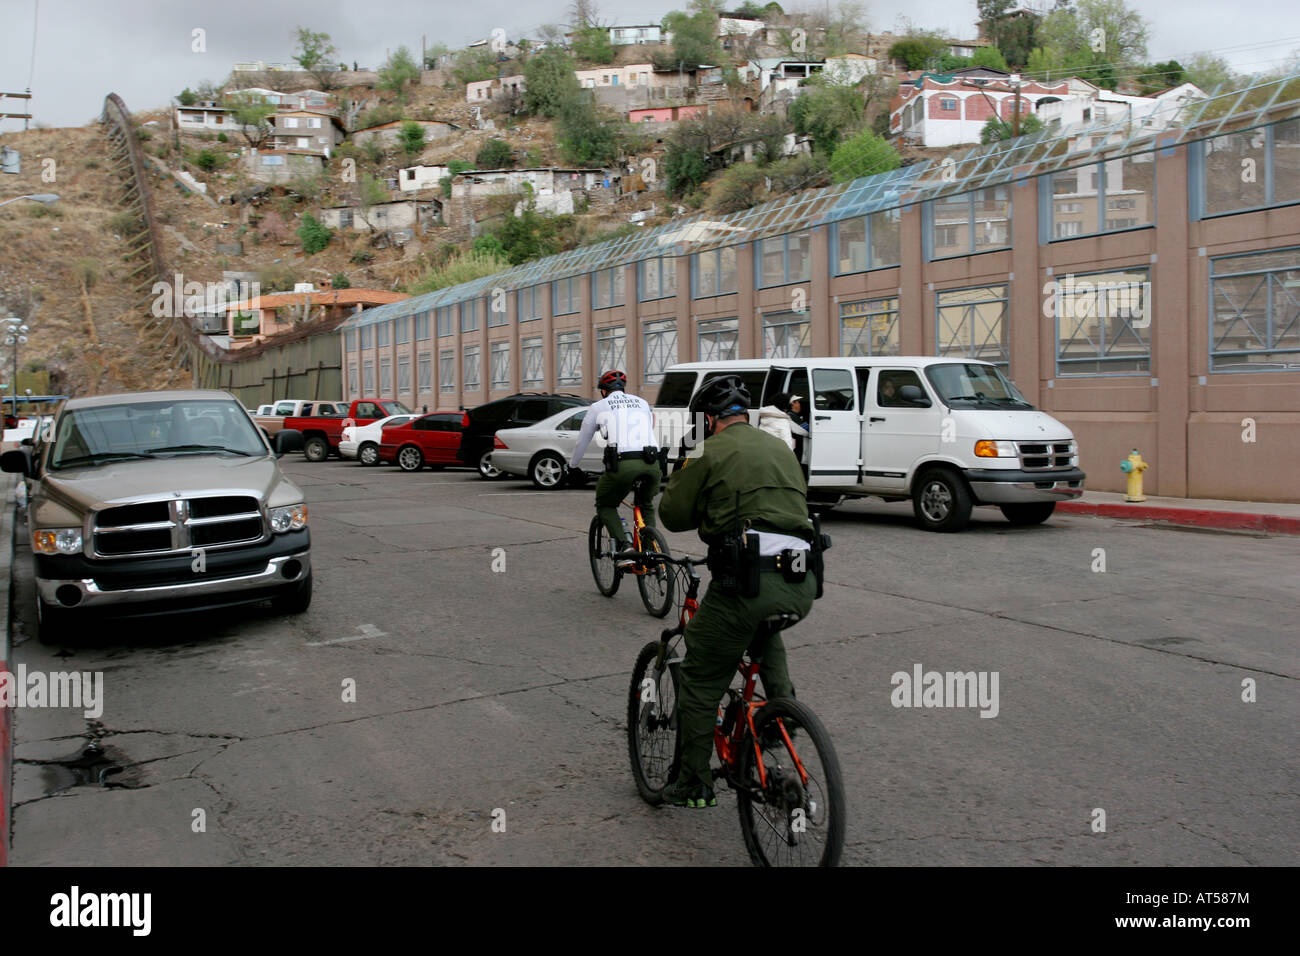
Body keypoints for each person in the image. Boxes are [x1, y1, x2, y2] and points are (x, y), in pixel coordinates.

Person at [657, 375, 818, 809]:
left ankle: (693, 784)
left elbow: (671, 516)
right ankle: (780, 716)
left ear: (709, 419)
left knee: (699, 677)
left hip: (746, 581)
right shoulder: (781, 448)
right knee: (764, 630)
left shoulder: (709, 450)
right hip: (801, 581)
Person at [569, 370, 660, 569]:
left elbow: (582, 440)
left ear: (603, 391)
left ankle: (625, 546)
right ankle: (650, 551)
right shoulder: (642, 402)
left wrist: (573, 466)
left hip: (623, 464)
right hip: (653, 462)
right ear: (623, 388)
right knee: (645, 504)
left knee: (605, 505)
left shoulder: (597, 407)